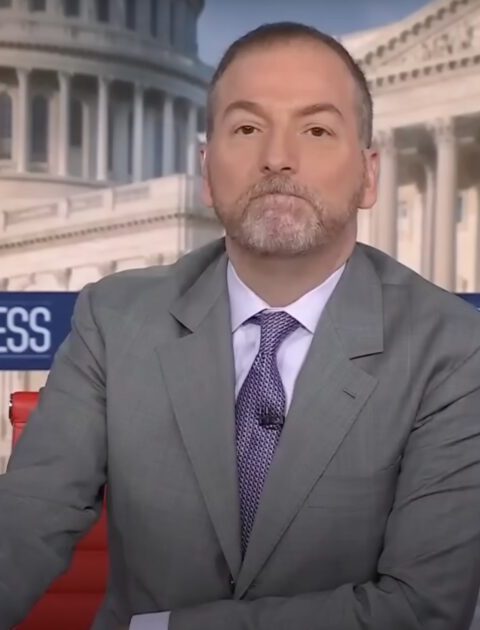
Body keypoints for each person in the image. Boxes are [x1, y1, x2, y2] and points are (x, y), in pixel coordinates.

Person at [1, 21, 480, 630]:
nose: (277, 158)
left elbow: (423, 609)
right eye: (248, 128)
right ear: (207, 172)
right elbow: (28, 519)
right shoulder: (114, 319)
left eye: (316, 129)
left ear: (368, 176)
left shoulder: (453, 348)